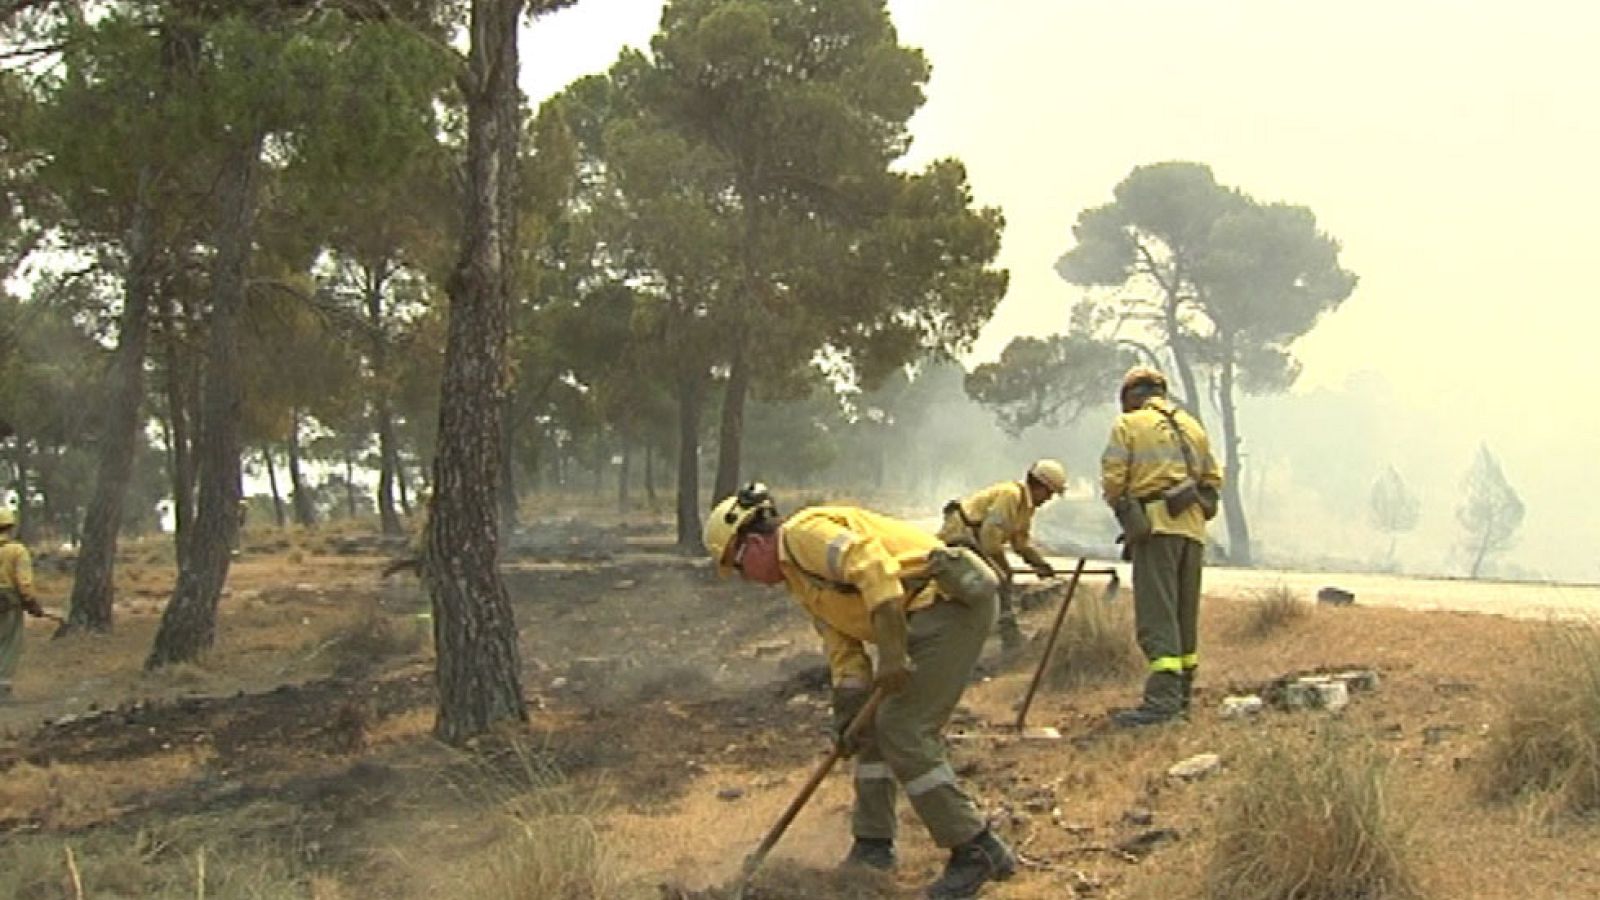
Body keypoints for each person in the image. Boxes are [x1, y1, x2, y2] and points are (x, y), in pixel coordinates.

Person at [705, 484, 1016, 899]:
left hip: (948, 604)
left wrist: (891, 654)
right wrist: (848, 715)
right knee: (870, 732)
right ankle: (873, 846)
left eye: (739, 567)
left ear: (755, 543)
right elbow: (843, 650)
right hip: (916, 618)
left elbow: (874, 569)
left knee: (903, 728)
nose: (746, 580)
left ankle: (976, 848)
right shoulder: (798, 580)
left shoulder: (804, 535)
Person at [1100, 366, 1223, 727]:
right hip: (1194, 532)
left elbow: (1113, 482)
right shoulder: (1194, 427)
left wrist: (1128, 513)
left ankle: (1161, 705)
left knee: (1157, 617)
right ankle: (1182, 700)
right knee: (1185, 617)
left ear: (1129, 396)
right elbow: (1213, 481)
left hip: (1155, 530)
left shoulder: (1129, 425)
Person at [938, 460, 1068, 653]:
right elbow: (990, 540)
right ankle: (1003, 638)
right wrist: (1003, 569)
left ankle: (1000, 635)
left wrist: (1040, 565)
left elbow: (1020, 544)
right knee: (992, 582)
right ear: (1039, 485)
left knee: (998, 581)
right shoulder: (1011, 495)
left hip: (975, 541)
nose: (1048, 499)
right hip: (960, 538)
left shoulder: (1026, 506)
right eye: (1049, 493)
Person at [0, 509, 44, 702]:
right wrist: (31, 603)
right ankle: (3, 690)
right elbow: (24, 582)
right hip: (8, 602)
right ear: (11, 527)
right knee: (8, 643)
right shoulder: (17, 551)